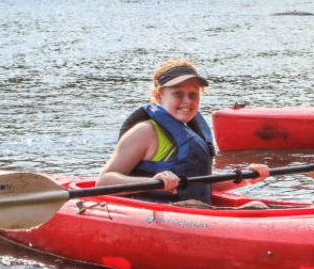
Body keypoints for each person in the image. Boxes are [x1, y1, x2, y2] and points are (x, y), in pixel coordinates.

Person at [97, 59, 270, 205]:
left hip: (194, 214)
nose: (187, 101)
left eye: (193, 95)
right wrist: (152, 182)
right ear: (158, 96)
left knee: (256, 206)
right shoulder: (145, 132)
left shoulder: (191, 131)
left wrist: (246, 176)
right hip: (158, 215)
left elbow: (201, 182)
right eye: (178, 94)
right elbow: (104, 182)